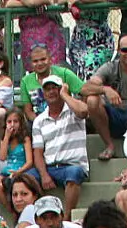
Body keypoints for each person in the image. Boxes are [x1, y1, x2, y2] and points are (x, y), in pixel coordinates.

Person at [31, 76, 91, 217]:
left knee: (74, 173)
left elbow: (83, 112)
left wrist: (65, 95)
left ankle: (67, 217)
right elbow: (38, 153)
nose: (51, 92)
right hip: (50, 168)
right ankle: (33, 217)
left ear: (61, 90)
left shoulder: (73, 110)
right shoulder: (39, 120)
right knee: (26, 179)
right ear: (43, 93)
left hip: (72, 165)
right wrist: (44, 175)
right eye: (47, 89)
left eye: (55, 88)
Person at [16, 44, 80, 121]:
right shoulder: (25, 81)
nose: (39, 63)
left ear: (50, 59)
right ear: (31, 64)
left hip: (65, 119)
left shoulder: (64, 73)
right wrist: (41, 124)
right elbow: (28, 111)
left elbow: (83, 89)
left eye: (43, 59)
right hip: (38, 122)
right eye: (35, 61)